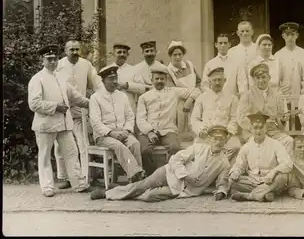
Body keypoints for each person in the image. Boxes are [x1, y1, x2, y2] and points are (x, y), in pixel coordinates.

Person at [90, 125, 232, 202]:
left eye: (221, 139)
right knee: (144, 185)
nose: (218, 142)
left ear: (225, 141)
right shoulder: (199, 148)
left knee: (149, 197)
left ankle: (123, 193)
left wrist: (221, 192)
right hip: (169, 173)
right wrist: (185, 175)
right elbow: (176, 159)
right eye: (215, 138)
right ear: (210, 139)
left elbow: (222, 182)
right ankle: (108, 193)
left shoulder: (224, 163)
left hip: (184, 190)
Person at [28, 45, 91, 197]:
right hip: (45, 125)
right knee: (44, 156)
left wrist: (92, 102)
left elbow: (75, 96)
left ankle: (78, 184)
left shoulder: (61, 77)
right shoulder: (37, 79)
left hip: (64, 124)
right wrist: (55, 106)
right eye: (49, 59)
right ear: (42, 60)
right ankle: (48, 187)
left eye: (55, 59)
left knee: (71, 152)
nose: (52, 62)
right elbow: (34, 104)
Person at [54, 39, 103, 189]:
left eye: (77, 49)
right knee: (59, 146)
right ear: (65, 51)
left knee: (82, 144)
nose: (75, 52)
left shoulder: (86, 64)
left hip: (79, 111)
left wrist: (102, 97)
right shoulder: (59, 65)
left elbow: (97, 82)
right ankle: (65, 177)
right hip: (63, 111)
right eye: (71, 50)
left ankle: (85, 176)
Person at [136, 63, 201, 176]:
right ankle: (151, 174)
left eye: (162, 78)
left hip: (168, 130)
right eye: (157, 78)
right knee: (144, 150)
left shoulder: (173, 92)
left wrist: (189, 100)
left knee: (175, 147)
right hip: (148, 132)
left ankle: (168, 173)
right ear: (152, 79)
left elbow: (196, 91)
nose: (159, 81)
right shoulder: (144, 97)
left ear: (166, 79)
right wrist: (150, 131)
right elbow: (140, 119)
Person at [89, 66, 145, 183]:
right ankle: (137, 176)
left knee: (135, 143)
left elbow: (130, 116)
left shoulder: (122, 96)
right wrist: (112, 133)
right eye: (110, 79)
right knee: (119, 147)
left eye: (116, 78)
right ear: (103, 80)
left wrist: (127, 130)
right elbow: (95, 123)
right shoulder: (95, 98)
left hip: (123, 132)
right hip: (104, 136)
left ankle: (135, 177)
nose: (114, 81)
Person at [229, 113, 293, 202]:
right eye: (255, 128)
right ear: (250, 129)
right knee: (231, 181)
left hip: (270, 180)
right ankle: (266, 193)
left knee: (282, 177)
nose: (258, 131)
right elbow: (239, 165)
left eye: (261, 127)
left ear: (266, 128)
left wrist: (273, 172)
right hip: (252, 181)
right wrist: (235, 172)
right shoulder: (246, 147)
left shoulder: (275, 144)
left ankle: (250, 196)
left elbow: (288, 164)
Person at [236, 63, 294, 152]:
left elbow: (281, 115)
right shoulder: (247, 95)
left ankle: (284, 165)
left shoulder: (277, 95)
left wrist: (283, 119)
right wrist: (256, 127)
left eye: (263, 77)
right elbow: (241, 117)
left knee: (289, 141)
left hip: (273, 132)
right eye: (257, 78)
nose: (261, 80)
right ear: (253, 80)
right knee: (259, 145)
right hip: (253, 133)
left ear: (269, 78)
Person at [191, 66, 241, 162]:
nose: (217, 83)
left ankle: (220, 167)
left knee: (236, 146)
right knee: (199, 148)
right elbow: (195, 119)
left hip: (225, 133)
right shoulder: (201, 98)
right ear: (209, 82)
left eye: (220, 80)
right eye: (214, 80)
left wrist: (229, 132)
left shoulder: (232, 98)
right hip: (207, 134)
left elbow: (234, 118)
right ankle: (211, 168)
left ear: (224, 80)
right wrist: (201, 130)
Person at [165, 41, 201, 138]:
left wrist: (191, 99)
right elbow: (173, 90)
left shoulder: (189, 64)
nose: (177, 57)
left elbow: (199, 83)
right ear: (170, 55)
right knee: (183, 131)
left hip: (195, 100)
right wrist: (193, 93)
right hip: (179, 103)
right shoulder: (168, 71)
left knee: (196, 126)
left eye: (180, 54)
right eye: (174, 55)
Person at [274, 22, 304, 96]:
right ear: (283, 36)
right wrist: (280, 91)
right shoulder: (278, 55)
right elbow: (276, 78)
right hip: (284, 94)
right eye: (287, 35)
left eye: (292, 34)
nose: (290, 38)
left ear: (297, 35)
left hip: (301, 93)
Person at [108, 43, 144, 113]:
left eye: (124, 52)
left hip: (129, 110)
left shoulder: (134, 70)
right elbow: (100, 89)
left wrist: (127, 85)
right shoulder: (106, 70)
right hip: (111, 111)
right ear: (113, 54)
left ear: (128, 55)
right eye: (119, 52)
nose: (122, 54)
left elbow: (142, 88)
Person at [228, 21, 258, 95]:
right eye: (242, 31)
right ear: (238, 33)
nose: (245, 33)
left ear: (252, 32)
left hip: (257, 91)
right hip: (238, 92)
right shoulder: (231, 52)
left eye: (247, 31)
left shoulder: (258, 50)